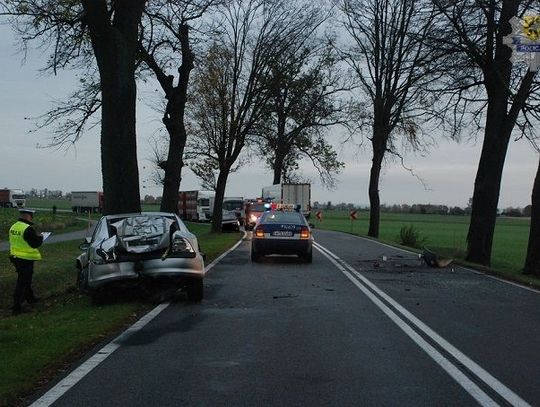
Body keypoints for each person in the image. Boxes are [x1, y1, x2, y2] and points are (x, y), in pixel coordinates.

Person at [9, 209, 44, 315]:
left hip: (15, 257)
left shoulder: (14, 226)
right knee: (22, 282)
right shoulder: (28, 229)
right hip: (25, 259)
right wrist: (41, 238)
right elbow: (35, 244)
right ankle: (16, 307)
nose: (32, 218)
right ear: (28, 217)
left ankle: (30, 298)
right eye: (31, 216)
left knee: (25, 279)